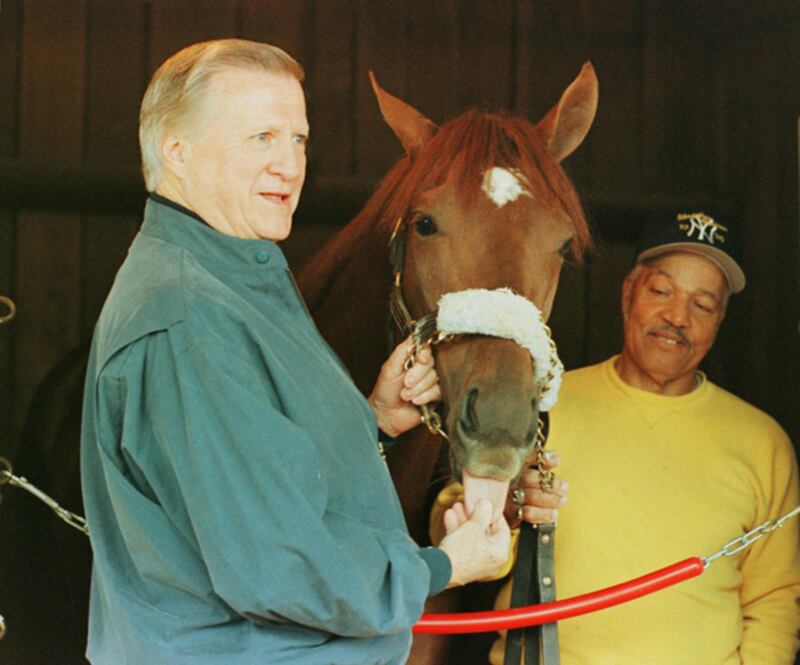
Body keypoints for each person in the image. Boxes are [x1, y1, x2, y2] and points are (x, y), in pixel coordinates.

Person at [80, 39, 512, 665]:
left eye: (299, 140)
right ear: (177, 151)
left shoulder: (233, 275)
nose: (289, 165)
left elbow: (258, 470)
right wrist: (441, 567)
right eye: (261, 138)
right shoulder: (187, 316)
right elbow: (274, 562)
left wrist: (374, 422)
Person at [433, 211, 800, 664]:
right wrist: (502, 513)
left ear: (720, 319)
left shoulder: (763, 443)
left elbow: (774, 600)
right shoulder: (543, 404)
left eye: (702, 304)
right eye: (661, 291)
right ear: (629, 293)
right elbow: (459, 527)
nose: (676, 317)